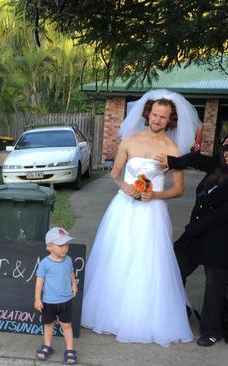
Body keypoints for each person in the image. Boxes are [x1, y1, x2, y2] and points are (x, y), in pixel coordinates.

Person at [81, 89, 201, 346]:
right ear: (148, 114)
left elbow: (179, 190)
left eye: (163, 117)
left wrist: (155, 196)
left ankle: (142, 318)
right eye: (155, 115)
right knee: (119, 255)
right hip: (124, 209)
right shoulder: (130, 141)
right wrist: (124, 186)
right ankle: (110, 314)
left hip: (152, 212)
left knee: (148, 260)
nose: (157, 120)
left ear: (171, 120)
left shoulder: (173, 149)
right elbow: (115, 174)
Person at [157, 133, 228, 347]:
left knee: (215, 288)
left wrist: (197, 227)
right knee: (174, 268)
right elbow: (195, 159)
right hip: (197, 233)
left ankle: (211, 330)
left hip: (223, 239)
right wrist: (173, 162)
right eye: (226, 150)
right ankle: (178, 311)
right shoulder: (218, 166)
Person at [34, 227, 79, 365]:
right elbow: (39, 282)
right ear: (50, 246)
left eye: (67, 245)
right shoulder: (45, 263)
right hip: (49, 302)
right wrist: (37, 298)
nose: (65, 248)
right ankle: (47, 346)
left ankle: (70, 349)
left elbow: (71, 272)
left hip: (66, 300)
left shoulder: (68, 260)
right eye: (61, 245)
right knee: (49, 325)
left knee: (66, 325)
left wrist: (74, 284)